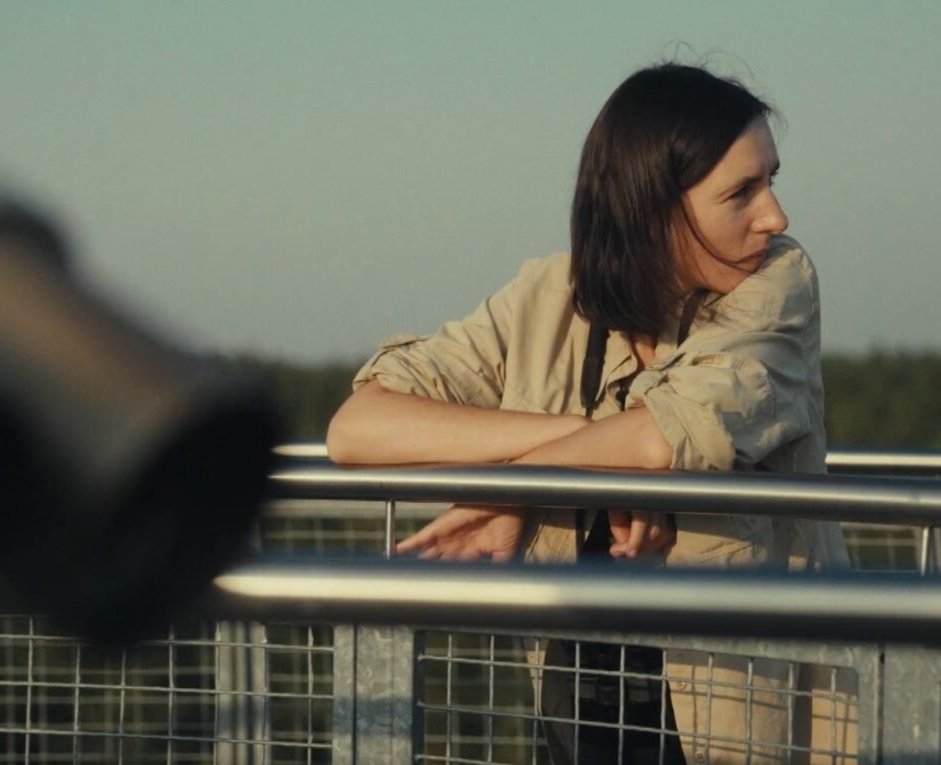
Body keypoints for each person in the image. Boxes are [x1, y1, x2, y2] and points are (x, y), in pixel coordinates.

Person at [327, 63, 856, 764]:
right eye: (741, 192)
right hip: (577, 724)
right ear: (652, 211)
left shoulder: (779, 282)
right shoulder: (548, 295)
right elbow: (356, 429)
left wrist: (508, 491)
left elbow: (663, 438)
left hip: (742, 730)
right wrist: (579, 442)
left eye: (771, 180)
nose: (776, 216)